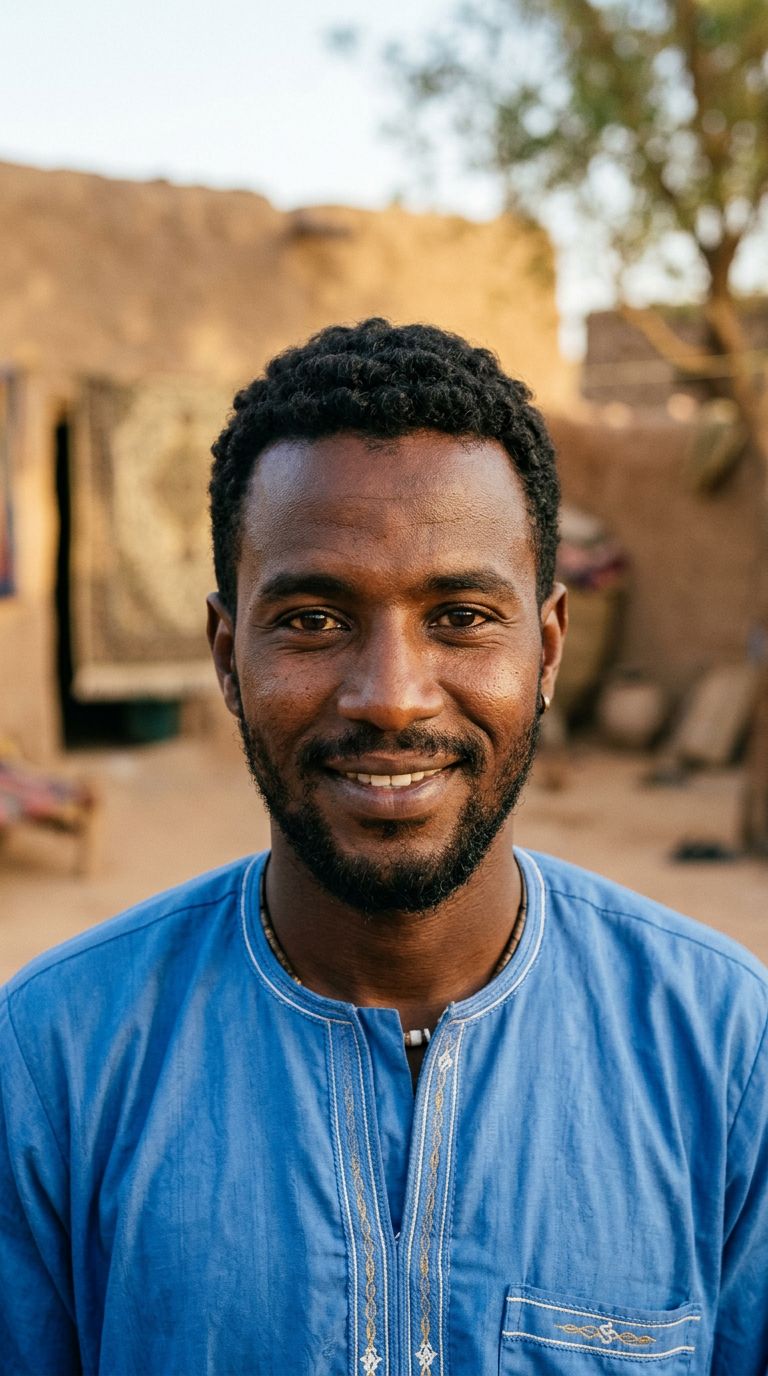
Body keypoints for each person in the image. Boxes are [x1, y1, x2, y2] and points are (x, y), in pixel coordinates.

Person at [1, 319, 766, 1376]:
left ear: (546, 647)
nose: (392, 696)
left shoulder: (726, 1052)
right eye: (313, 619)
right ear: (228, 656)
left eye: (459, 614)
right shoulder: (52, 1062)